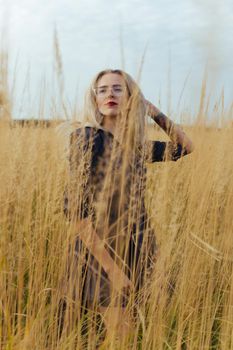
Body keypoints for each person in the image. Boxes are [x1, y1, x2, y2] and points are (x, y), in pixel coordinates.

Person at [62, 69, 194, 341]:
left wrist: (153, 111)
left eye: (118, 89)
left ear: (131, 98)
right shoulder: (87, 138)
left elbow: (185, 146)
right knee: (122, 335)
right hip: (102, 251)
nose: (110, 93)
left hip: (138, 245)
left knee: (131, 332)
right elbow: (76, 213)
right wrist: (112, 269)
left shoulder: (136, 146)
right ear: (95, 99)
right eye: (103, 89)